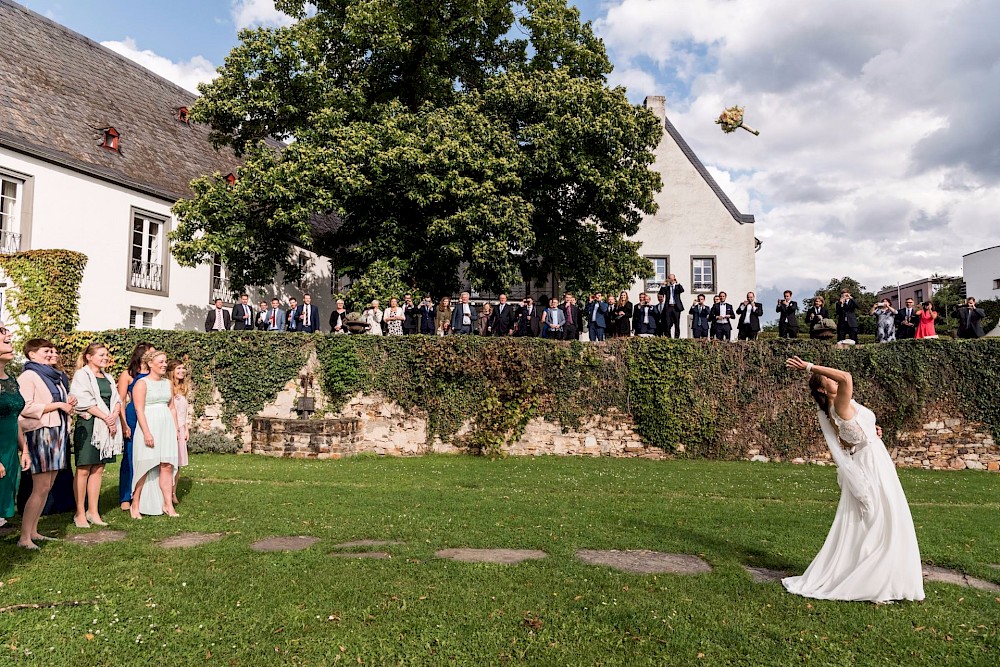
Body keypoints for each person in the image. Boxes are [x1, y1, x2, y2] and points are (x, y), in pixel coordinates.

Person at [782, 356, 924, 603]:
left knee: (883, 517)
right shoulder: (838, 405)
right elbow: (846, 377)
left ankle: (885, 573)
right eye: (828, 379)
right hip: (871, 464)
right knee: (879, 518)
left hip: (873, 457)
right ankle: (874, 575)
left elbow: (852, 434)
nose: (833, 378)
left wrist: (873, 430)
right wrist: (809, 367)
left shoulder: (838, 407)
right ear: (821, 389)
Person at [17, 339, 77, 545]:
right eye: (46, 351)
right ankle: (24, 537)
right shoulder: (29, 376)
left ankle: (33, 531)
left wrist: (67, 403)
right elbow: (25, 407)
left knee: (48, 485)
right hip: (41, 433)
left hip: (57, 432)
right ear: (32, 354)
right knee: (40, 487)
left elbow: (57, 404)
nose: (52, 354)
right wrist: (59, 404)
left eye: (54, 350)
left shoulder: (57, 377)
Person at [67, 342, 124, 530]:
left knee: (98, 468)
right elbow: (84, 401)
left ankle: (93, 510)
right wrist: (106, 418)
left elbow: (117, 399)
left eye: (106, 354)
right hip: (91, 425)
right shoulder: (81, 375)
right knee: (84, 468)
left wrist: (114, 416)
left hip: (107, 426)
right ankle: (80, 512)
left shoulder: (108, 377)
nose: (105, 357)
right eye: (101, 355)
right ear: (89, 357)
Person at [130, 349, 179, 518]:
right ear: (150, 363)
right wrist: (146, 432)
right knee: (145, 464)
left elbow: (171, 407)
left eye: (166, 361)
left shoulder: (168, 383)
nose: (165, 365)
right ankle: (135, 504)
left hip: (166, 427)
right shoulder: (141, 383)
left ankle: (168, 504)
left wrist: (176, 429)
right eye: (161, 362)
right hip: (149, 425)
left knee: (166, 465)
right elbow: (139, 409)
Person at [117, 342, 153, 511]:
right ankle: (126, 496)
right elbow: (121, 401)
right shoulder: (128, 374)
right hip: (132, 416)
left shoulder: (154, 373)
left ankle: (146, 494)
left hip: (151, 414)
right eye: (151, 353)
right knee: (130, 457)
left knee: (149, 456)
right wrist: (124, 424)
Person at [0, 325, 26, 535]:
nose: (11, 345)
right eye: (6, 342)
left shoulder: (11, 381)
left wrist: (24, 448)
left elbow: (14, 418)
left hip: (9, 448)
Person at [166, 360, 189, 505]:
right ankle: (166, 493)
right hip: (170, 427)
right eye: (178, 368)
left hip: (181, 428)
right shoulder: (167, 386)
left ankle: (173, 493)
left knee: (178, 464)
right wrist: (174, 429)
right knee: (169, 462)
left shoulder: (183, 388)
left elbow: (185, 412)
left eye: (183, 368)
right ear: (172, 371)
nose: (182, 371)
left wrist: (186, 429)